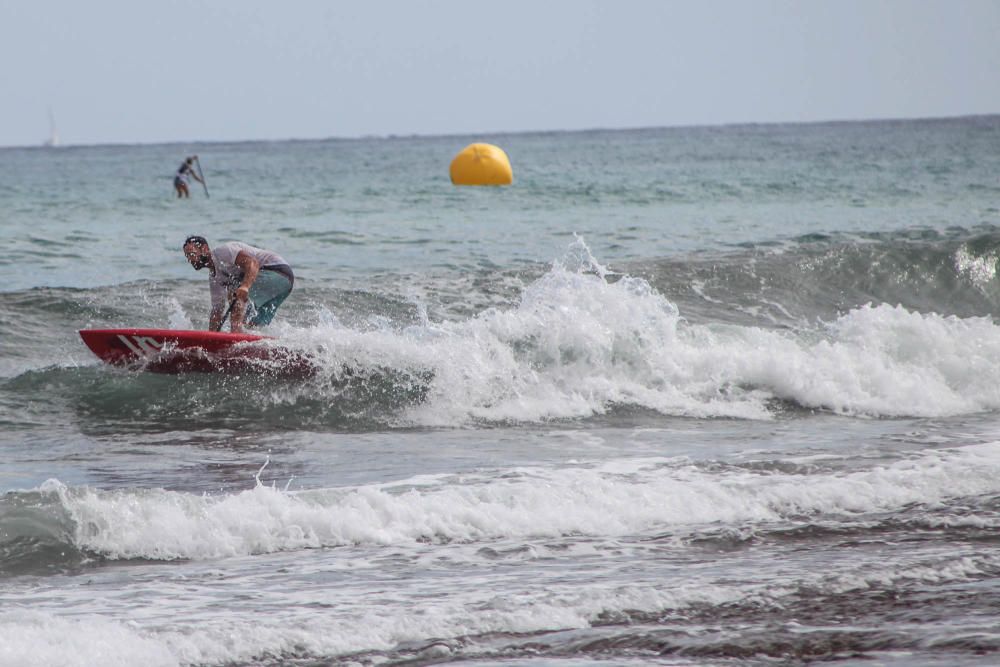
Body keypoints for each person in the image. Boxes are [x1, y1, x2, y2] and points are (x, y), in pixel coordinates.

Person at [182, 236, 294, 333]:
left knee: (234, 293)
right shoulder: (214, 278)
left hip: (277, 271)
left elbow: (253, 263)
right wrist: (210, 339)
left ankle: (235, 335)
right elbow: (217, 311)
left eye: (192, 254)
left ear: (205, 249)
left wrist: (245, 286)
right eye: (187, 256)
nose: (189, 259)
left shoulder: (223, 252)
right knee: (250, 326)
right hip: (285, 286)